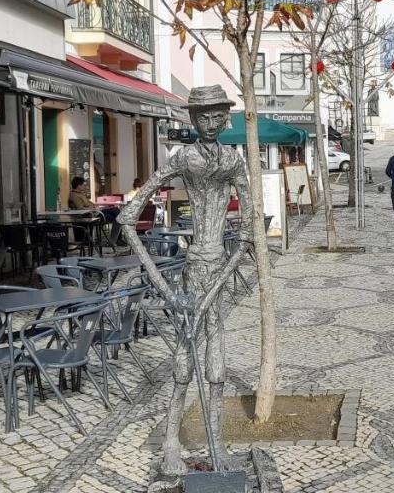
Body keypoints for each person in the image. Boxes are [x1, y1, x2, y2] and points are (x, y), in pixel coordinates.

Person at [117, 85, 255, 486]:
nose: (210, 123)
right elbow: (128, 218)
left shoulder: (232, 160)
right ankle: (172, 444)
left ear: (226, 118)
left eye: (217, 116)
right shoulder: (184, 157)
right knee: (183, 362)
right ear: (192, 120)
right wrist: (161, 282)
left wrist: (230, 266)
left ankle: (217, 445)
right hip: (193, 270)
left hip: (219, 268)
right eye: (202, 116)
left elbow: (247, 226)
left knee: (217, 365)